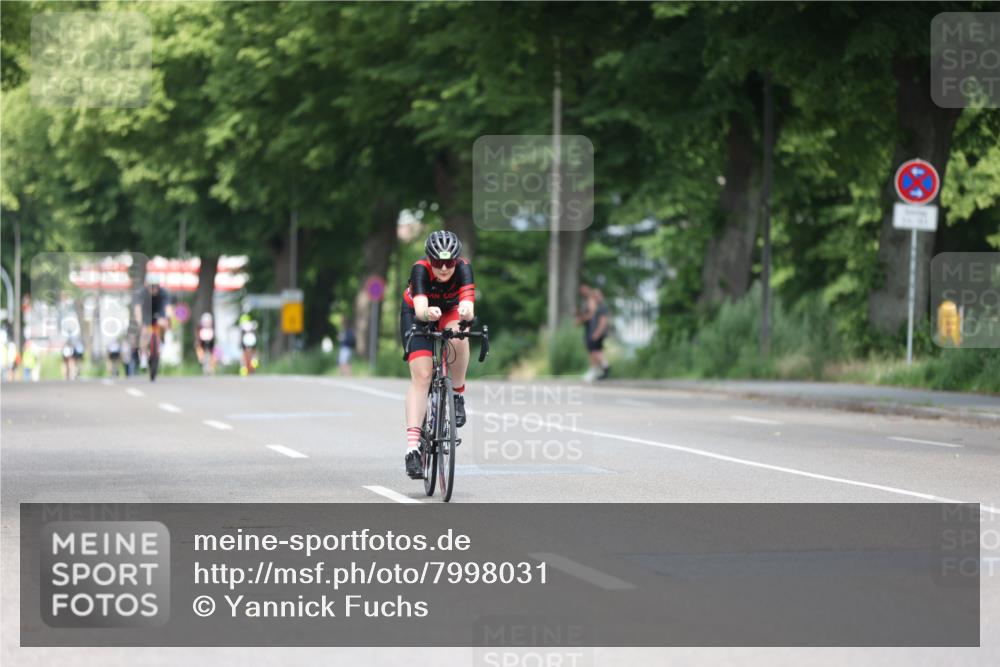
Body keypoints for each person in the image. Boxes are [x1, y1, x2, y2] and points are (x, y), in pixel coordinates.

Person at [399, 230, 475, 478]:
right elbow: (421, 309)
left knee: (459, 334)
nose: (443, 268)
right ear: (429, 259)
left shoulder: (464, 269)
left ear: (456, 260)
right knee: (422, 376)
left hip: (451, 311)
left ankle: (457, 394)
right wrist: (427, 313)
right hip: (419, 315)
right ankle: (412, 449)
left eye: (449, 263)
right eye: (438, 263)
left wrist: (466, 310)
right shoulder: (420, 270)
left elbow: (469, 309)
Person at [132, 273, 173, 369]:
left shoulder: (164, 293)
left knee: (163, 324)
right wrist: (139, 321)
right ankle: (143, 356)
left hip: (159, 312)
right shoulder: (141, 293)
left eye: (155, 286)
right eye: (151, 286)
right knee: (144, 331)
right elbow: (137, 308)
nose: (153, 289)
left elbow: (168, 308)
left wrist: (168, 319)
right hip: (146, 313)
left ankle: (162, 341)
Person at [579, 284, 610, 381]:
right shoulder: (596, 307)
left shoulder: (602, 307)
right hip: (594, 332)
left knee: (595, 352)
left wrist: (597, 332)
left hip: (597, 333)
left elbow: (603, 321)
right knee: (595, 352)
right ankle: (599, 370)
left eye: (597, 296)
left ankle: (605, 367)